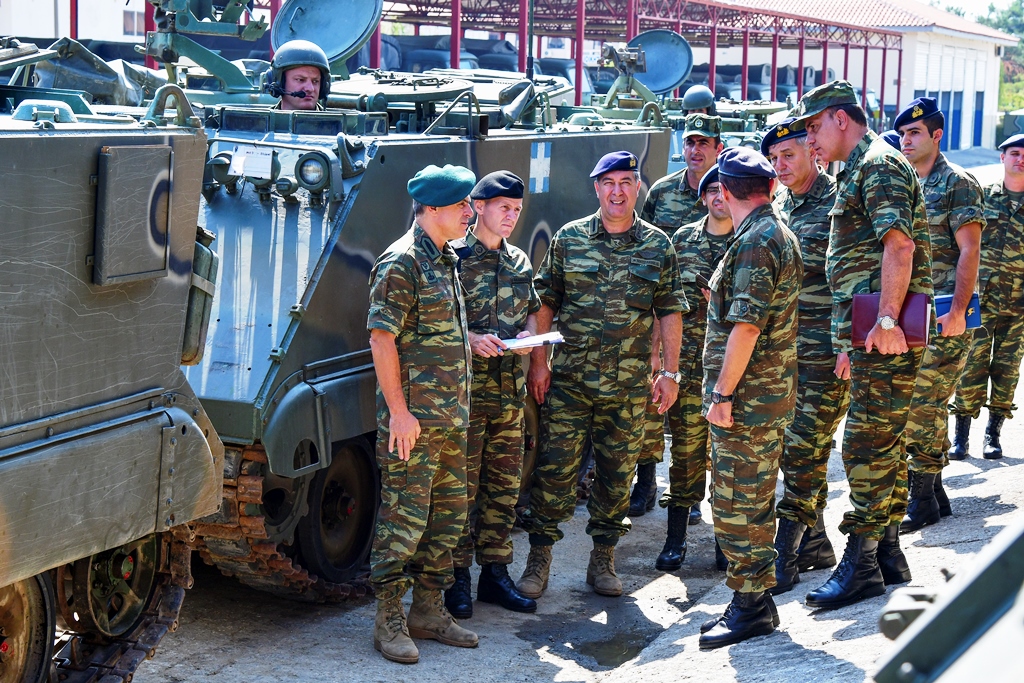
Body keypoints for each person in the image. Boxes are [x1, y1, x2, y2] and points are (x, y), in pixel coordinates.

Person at [517, 151, 686, 599]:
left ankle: (603, 560)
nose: (617, 191)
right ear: (596, 188)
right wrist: (539, 363)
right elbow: (545, 301)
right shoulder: (570, 239)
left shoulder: (658, 245)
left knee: (616, 476)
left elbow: (670, 311)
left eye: (626, 182)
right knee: (553, 473)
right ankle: (538, 560)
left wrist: (670, 372)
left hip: (628, 387)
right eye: (608, 183)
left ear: (637, 187)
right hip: (570, 382)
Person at [794, 80, 932, 610]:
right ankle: (889, 553)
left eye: (813, 127)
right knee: (883, 440)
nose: (810, 140)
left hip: (884, 332)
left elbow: (900, 245)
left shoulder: (877, 165)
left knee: (865, 445)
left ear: (840, 119)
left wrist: (889, 319)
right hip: (868, 332)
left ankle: (861, 563)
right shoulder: (858, 168)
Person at [366, 164, 479, 664]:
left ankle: (428, 610)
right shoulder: (402, 262)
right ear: (432, 209)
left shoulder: (445, 257)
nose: (470, 212)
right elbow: (381, 339)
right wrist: (399, 412)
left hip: (451, 419)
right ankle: (388, 618)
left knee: (447, 520)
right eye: (462, 205)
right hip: (414, 423)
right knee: (402, 521)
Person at [699, 147, 802, 650]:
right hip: (764, 395)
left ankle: (750, 606)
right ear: (769, 187)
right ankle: (754, 599)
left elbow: (746, 327)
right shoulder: (772, 232)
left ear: (723, 191)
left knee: (738, 502)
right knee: (751, 498)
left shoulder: (756, 242)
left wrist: (722, 393)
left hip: (747, 400)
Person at [444, 171, 540, 619]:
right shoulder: (452, 257)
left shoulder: (518, 260)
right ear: (478, 207)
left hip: (508, 398)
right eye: (504, 207)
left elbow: (533, 311)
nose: (512, 216)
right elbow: (434, 322)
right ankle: (456, 577)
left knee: (503, 489)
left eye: (517, 209)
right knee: (460, 492)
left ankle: (496, 575)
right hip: (463, 398)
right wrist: (471, 340)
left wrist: (529, 338)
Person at [762, 118, 846, 594]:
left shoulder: (839, 204)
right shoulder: (778, 205)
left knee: (803, 449)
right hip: (783, 353)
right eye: (774, 159)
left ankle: (786, 554)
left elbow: (857, 279)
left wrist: (849, 345)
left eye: (788, 155)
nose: (781, 165)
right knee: (796, 448)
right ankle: (815, 543)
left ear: (813, 152)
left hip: (824, 353)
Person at [896, 97, 984, 533]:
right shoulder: (904, 182)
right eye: (902, 134)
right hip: (911, 314)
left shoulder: (957, 183)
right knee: (918, 401)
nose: (906, 141)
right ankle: (935, 492)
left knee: (924, 403)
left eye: (915, 133)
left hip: (947, 313)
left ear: (936, 135)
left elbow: (970, 250)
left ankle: (923, 498)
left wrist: (961, 311)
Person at [630, 114, 723, 521]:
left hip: (713, 324)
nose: (695, 150)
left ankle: (694, 492)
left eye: (704, 142)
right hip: (663, 314)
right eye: (690, 142)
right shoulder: (663, 192)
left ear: (718, 148)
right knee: (655, 401)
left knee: (702, 410)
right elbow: (646, 246)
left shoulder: (729, 190)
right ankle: (647, 480)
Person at [656, 165, 734, 573]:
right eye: (712, 191)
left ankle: (725, 541)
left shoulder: (747, 240)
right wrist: (660, 361)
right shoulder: (682, 240)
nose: (719, 197)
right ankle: (676, 539)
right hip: (688, 367)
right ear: (703, 198)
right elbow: (664, 303)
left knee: (726, 456)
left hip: (732, 368)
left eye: (726, 190)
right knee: (685, 453)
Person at [950, 133, 1024, 461]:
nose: (1020, 159)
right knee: (971, 366)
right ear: (1002, 157)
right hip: (978, 300)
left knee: (1007, 370)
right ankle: (961, 436)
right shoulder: (983, 197)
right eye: (1014, 153)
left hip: (1018, 304)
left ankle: (993, 434)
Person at [266, 39, 330, 111]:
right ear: (279, 83)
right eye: (300, 80)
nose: (310, 88)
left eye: (315, 81)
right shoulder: (260, 118)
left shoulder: (336, 118)